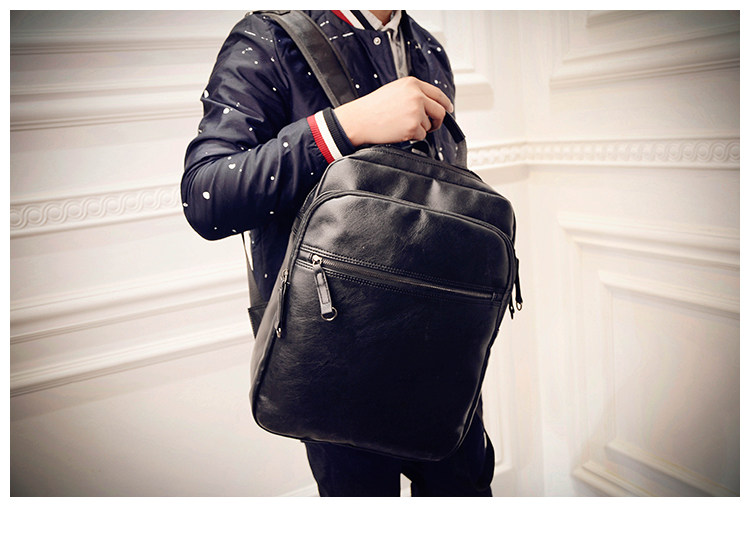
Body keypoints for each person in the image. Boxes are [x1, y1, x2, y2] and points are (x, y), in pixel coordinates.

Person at [181, 9, 493, 497]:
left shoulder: (427, 47)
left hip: (440, 353)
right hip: (337, 354)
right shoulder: (269, 38)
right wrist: (344, 127)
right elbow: (207, 197)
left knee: (466, 491)